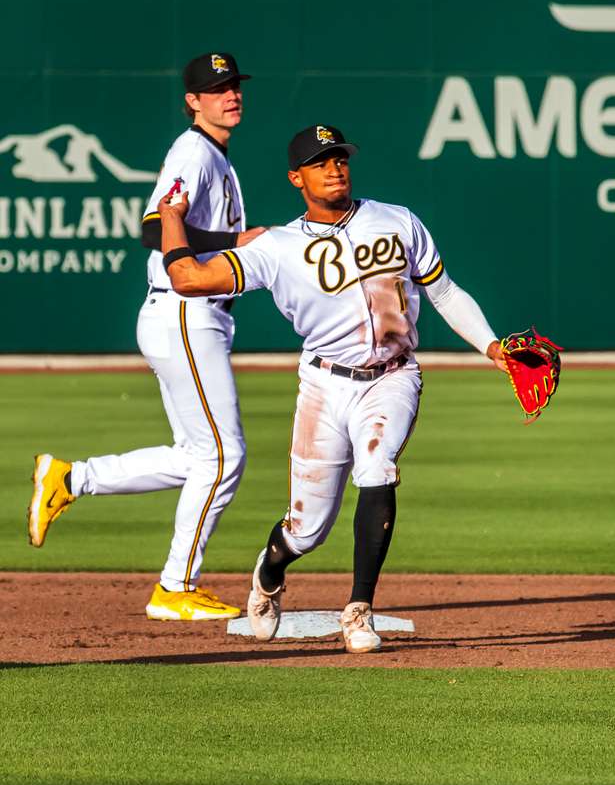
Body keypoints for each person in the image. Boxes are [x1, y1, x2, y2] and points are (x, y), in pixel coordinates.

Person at [156, 123, 507, 653]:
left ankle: (359, 610)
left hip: (392, 377)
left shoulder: (397, 220)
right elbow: (187, 280)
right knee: (307, 530)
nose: (335, 167)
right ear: (297, 177)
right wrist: (172, 219)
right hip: (323, 385)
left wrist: (493, 347)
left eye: (340, 157)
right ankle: (272, 566)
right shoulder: (277, 247)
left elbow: (445, 291)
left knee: (378, 466)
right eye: (320, 162)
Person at [26, 52, 267, 622]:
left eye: (233, 86)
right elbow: (154, 227)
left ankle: (71, 477)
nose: (230, 95)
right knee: (224, 455)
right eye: (216, 89)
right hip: (186, 311)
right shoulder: (193, 152)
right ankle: (176, 586)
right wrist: (238, 237)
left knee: (196, 455)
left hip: (187, 314)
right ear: (193, 100)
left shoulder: (216, 157)